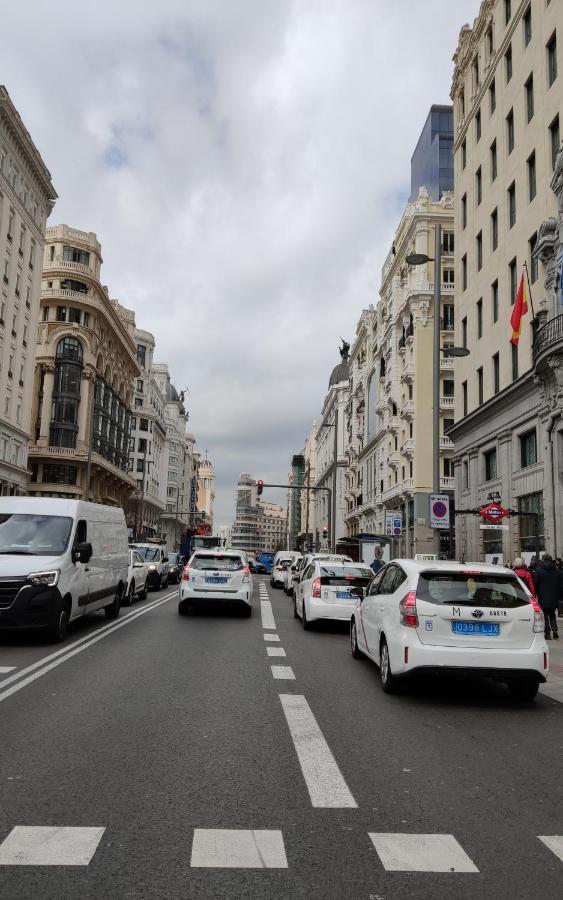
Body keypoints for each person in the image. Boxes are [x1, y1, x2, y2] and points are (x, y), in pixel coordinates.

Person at [533, 554, 563, 640]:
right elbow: (561, 585)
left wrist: (536, 594)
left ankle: (547, 633)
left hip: (543, 596)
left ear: (543, 559)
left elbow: (536, 584)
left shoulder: (538, 570)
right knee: (552, 613)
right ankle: (555, 631)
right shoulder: (557, 571)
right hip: (554, 596)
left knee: (545, 614)